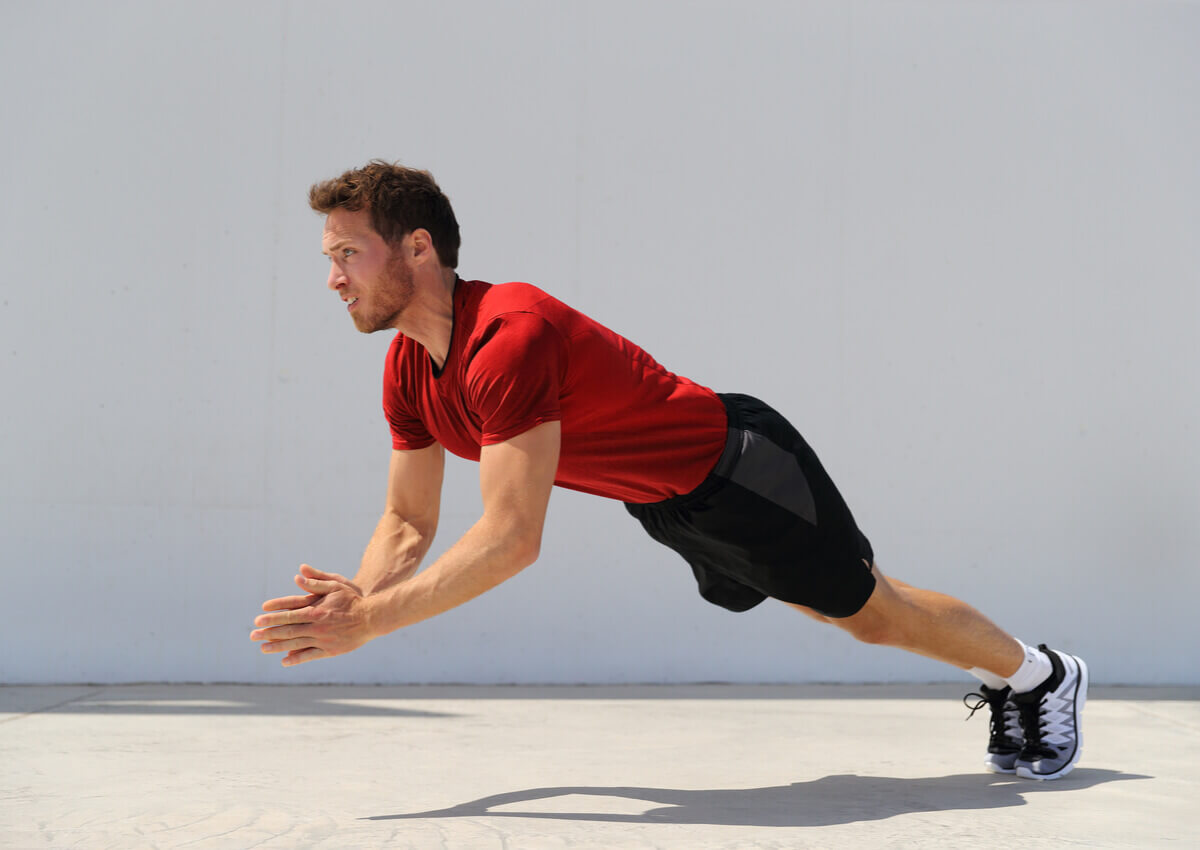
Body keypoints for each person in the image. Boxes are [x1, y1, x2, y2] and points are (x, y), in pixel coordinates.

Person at [249, 160, 1088, 781]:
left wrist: (371, 625)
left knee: (871, 614)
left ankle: (1039, 674)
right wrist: (358, 595)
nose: (333, 279)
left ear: (418, 247)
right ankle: (1019, 674)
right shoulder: (406, 368)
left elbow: (510, 540)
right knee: (844, 610)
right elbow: (407, 522)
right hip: (666, 507)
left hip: (743, 470)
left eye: (349, 254)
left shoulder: (510, 336)